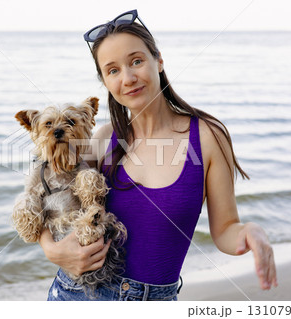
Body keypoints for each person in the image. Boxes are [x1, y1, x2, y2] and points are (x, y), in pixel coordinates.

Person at [39, 9, 278, 301]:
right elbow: (45, 195)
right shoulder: (103, 140)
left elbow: (226, 229)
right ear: (105, 82)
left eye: (136, 61)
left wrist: (251, 232)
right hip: (75, 295)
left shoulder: (208, 137)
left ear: (159, 60)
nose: (127, 78)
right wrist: (51, 249)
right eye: (113, 70)